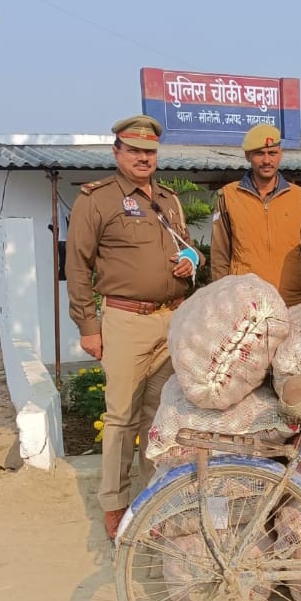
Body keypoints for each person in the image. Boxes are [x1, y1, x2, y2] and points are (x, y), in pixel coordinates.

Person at [65, 114, 204, 541]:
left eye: (150, 151)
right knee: (122, 418)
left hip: (171, 320)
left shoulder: (168, 200)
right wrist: (88, 325)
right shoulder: (97, 199)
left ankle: (152, 500)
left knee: (159, 417)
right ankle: (115, 504)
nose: (144, 157)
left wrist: (192, 261)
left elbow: (188, 246)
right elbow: (77, 265)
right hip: (125, 322)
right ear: (117, 152)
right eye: (135, 150)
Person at [209, 123, 301, 306]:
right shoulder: (228, 196)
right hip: (246, 304)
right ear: (248, 156)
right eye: (259, 153)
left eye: (272, 153)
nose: (267, 160)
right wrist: (222, 301)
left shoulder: (299, 197)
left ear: (280, 154)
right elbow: (219, 255)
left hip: (292, 303)